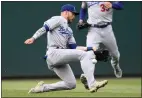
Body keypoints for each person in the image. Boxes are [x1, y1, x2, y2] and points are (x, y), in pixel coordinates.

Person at [24, 4, 108, 93]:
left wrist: (90, 48)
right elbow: (44, 28)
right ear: (66, 12)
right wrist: (33, 38)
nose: (74, 16)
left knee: (71, 84)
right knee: (85, 55)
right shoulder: (58, 19)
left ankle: (42, 88)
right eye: (73, 14)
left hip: (59, 55)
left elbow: (74, 47)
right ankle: (92, 83)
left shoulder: (69, 30)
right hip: (53, 52)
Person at [77, 1, 123, 89]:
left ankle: (115, 66)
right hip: (93, 30)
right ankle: (89, 79)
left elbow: (121, 5)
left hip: (107, 29)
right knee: (89, 54)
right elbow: (83, 9)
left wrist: (112, 5)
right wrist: (81, 20)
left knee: (115, 54)